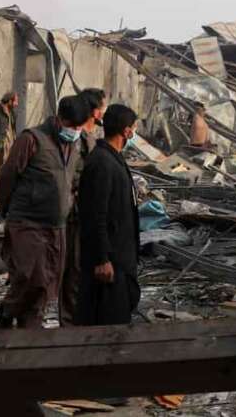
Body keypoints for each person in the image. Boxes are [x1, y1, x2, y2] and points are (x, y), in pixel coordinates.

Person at [0, 95, 89, 328]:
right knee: (30, 277)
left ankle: (30, 329)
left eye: (79, 127)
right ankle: (8, 310)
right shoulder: (31, 139)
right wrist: (5, 210)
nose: (75, 131)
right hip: (28, 223)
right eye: (71, 126)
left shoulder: (76, 144)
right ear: (59, 119)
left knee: (47, 282)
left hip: (57, 227)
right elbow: (6, 178)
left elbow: (73, 177)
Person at [75, 104, 140, 326]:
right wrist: (102, 259)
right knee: (105, 324)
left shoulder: (113, 159)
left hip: (120, 258)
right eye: (134, 128)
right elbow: (95, 215)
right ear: (126, 131)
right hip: (109, 263)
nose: (134, 132)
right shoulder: (102, 163)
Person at [61, 87, 107, 327]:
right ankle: (70, 325)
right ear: (95, 112)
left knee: (81, 271)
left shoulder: (90, 140)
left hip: (85, 215)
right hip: (71, 216)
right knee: (72, 272)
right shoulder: (74, 140)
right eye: (102, 108)